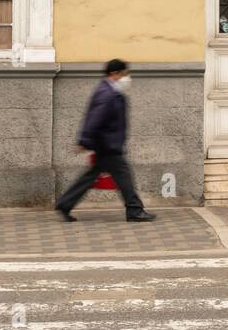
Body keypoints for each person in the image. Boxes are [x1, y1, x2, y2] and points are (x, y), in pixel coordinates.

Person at [55, 59, 155, 223]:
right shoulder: (106, 93)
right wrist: (84, 140)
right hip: (108, 144)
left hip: (107, 143)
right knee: (124, 176)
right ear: (114, 74)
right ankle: (134, 210)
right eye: (124, 74)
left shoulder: (111, 91)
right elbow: (94, 118)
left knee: (90, 177)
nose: (127, 77)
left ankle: (65, 204)